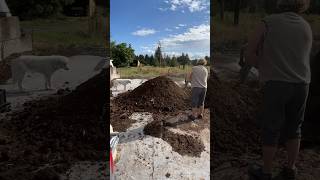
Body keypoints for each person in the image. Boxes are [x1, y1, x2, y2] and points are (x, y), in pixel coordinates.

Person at [245, 0, 312, 179]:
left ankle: (266, 172)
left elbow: (249, 54)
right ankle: (290, 169)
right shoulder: (306, 26)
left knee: (271, 128)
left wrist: (264, 67)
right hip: (302, 85)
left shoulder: (268, 22)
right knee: (295, 127)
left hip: (276, 84)